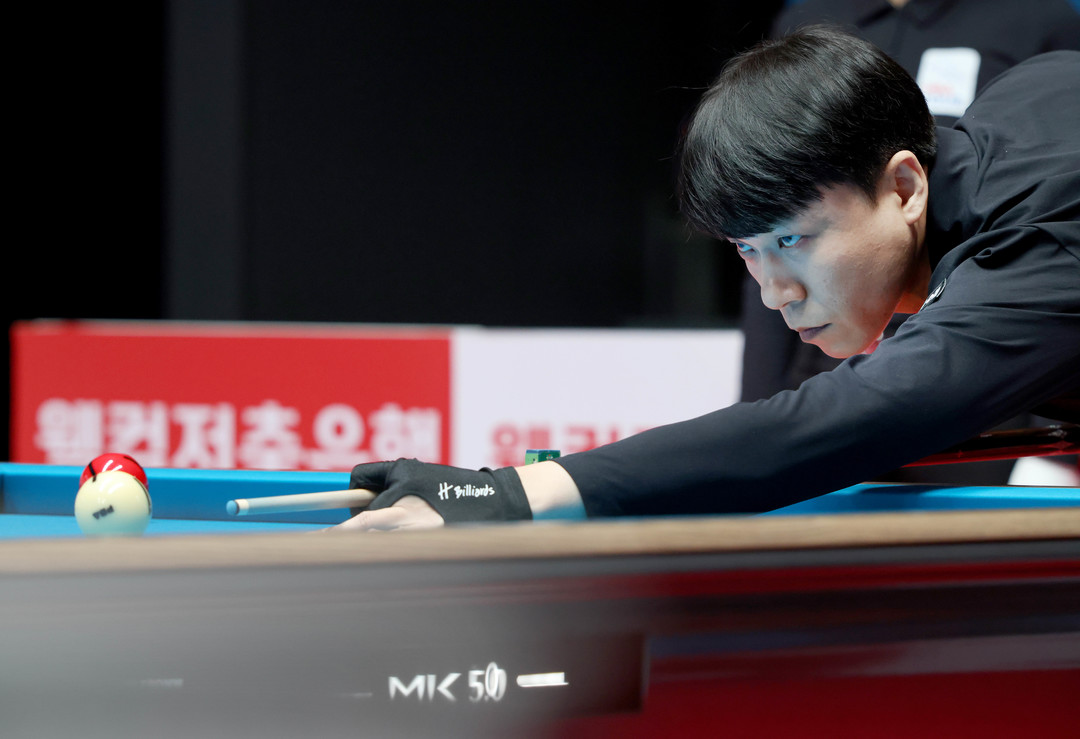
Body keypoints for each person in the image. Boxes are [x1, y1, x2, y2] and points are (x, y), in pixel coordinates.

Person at [333, 26, 1079, 531]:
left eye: (793, 239)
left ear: (905, 187)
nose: (776, 292)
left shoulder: (1042, 247)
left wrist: (504, 494)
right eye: (748, 249)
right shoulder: (1032, 95)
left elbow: (859, 417)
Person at [738, 0, 1080, 485]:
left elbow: (1047, 266)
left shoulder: (1032, 19)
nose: (774, 294)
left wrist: (1054, 441)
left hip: (975, 362)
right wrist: (757, 418)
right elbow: (767, 223)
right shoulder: (811, 13)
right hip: (830, 361)